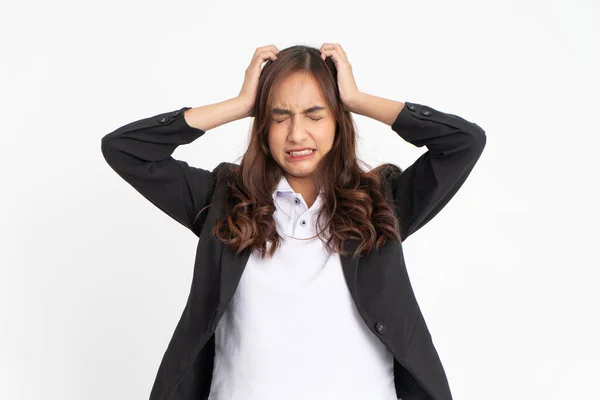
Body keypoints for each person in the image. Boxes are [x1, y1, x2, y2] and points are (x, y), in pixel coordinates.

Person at [101, 43, 486, 400]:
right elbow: (125, 149)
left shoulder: (381, 204)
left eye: (315, 114)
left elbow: (463, 142)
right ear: (262, 126)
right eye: (279, 117)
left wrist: (357, 99)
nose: (296, 134)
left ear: (338, 120)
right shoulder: (223, 201)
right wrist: (239, 104)